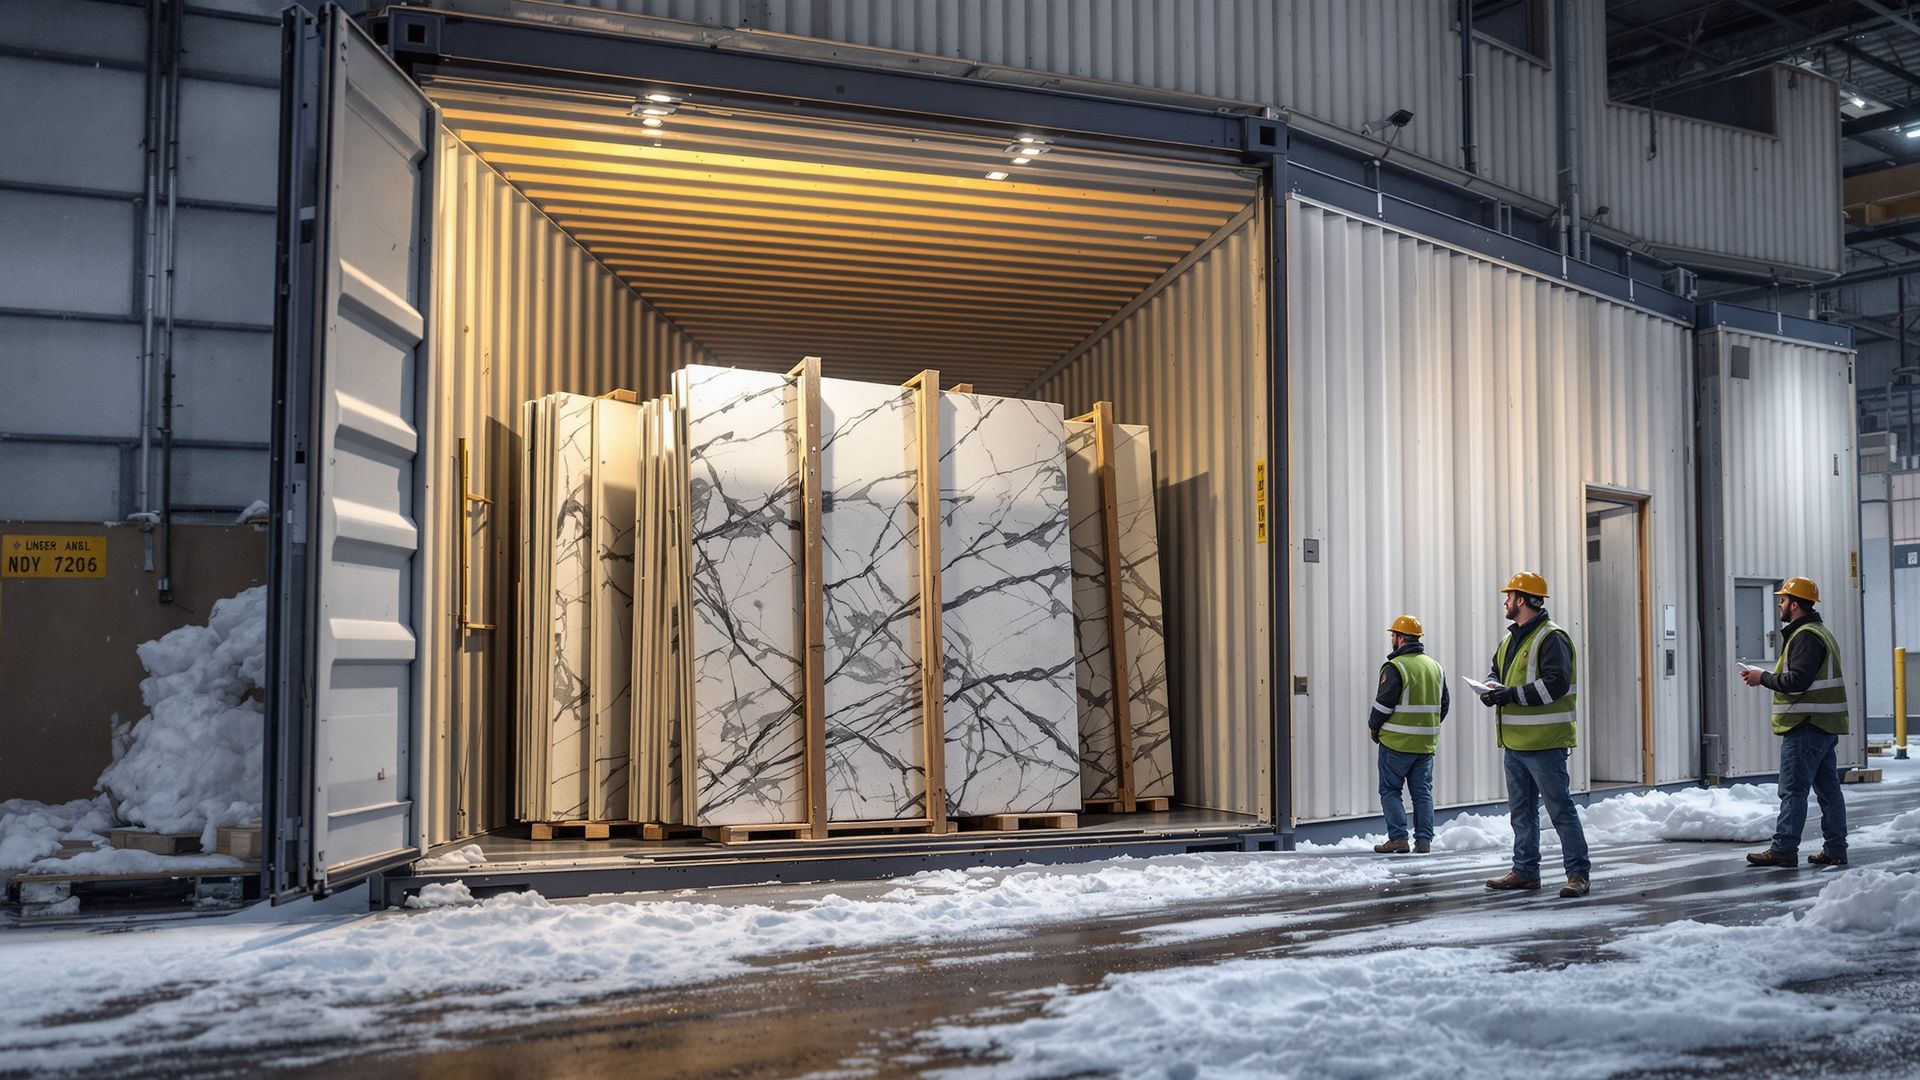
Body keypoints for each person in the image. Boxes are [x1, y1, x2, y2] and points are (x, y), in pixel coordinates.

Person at [1479, 571, 1591, 898]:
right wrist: (1490, 687)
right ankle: (1525, 871)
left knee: (1560, 810)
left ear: (1524, 600)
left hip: (1545, 744)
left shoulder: (1551, 637)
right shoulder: (1509, 639)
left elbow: (1555, 684)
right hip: (1515, 743)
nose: (1505, 601)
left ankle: (1578, 874)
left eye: (1510, 596)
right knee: (1522, 812)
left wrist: (1509, 695)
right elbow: (1496, 672)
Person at [1740, 577, 1850, 869]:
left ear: (1796, 604)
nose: (1779, 604)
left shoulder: (1806, 636)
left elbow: (1797, 681)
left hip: (1805, 726)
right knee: (1828, 791)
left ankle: (1784, 849)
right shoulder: (1818, 632)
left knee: (1792, 790)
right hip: (1823, 726)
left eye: (1783, 599)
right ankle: (1836, 849)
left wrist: (1761, 677)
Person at [1369, 615, 1450, 854]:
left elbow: (1383, 704)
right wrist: (1425, 728)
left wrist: (1374, 727)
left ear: (1401, 638)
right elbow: (1444, 705)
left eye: (1393, 635)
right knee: (1422, 793)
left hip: (1396, 743)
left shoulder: (1396, 667)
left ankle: (1398, 838)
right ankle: (1423, 841)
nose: (1391, 640)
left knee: (1390, 790)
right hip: (1425, 745)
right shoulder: (1435, 667)